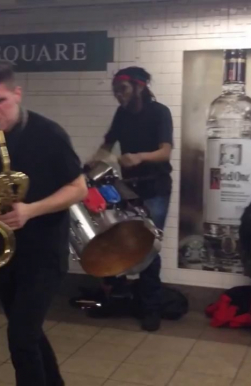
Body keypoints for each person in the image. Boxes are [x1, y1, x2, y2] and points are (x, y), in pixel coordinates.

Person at [0, 60, 87, 386]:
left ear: (17, 93)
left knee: (20, 335)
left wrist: (31, 210)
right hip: (5, 256)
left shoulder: (49, 134)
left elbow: (79, 188)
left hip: (44, 252)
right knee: (26, 330)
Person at [89, 66, 174, 332]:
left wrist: (140, 157)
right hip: (127, 188)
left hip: (155, 187)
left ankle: (150, 308)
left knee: (149, 246)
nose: (118, 95)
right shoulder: (122, 114)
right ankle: (119, 298)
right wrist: (89, 166)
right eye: (115, 90)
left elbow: (165, 152)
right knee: (119, 240)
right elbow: (107, 145)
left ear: (140, 87)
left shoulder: (160, 112)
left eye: (122, 89)